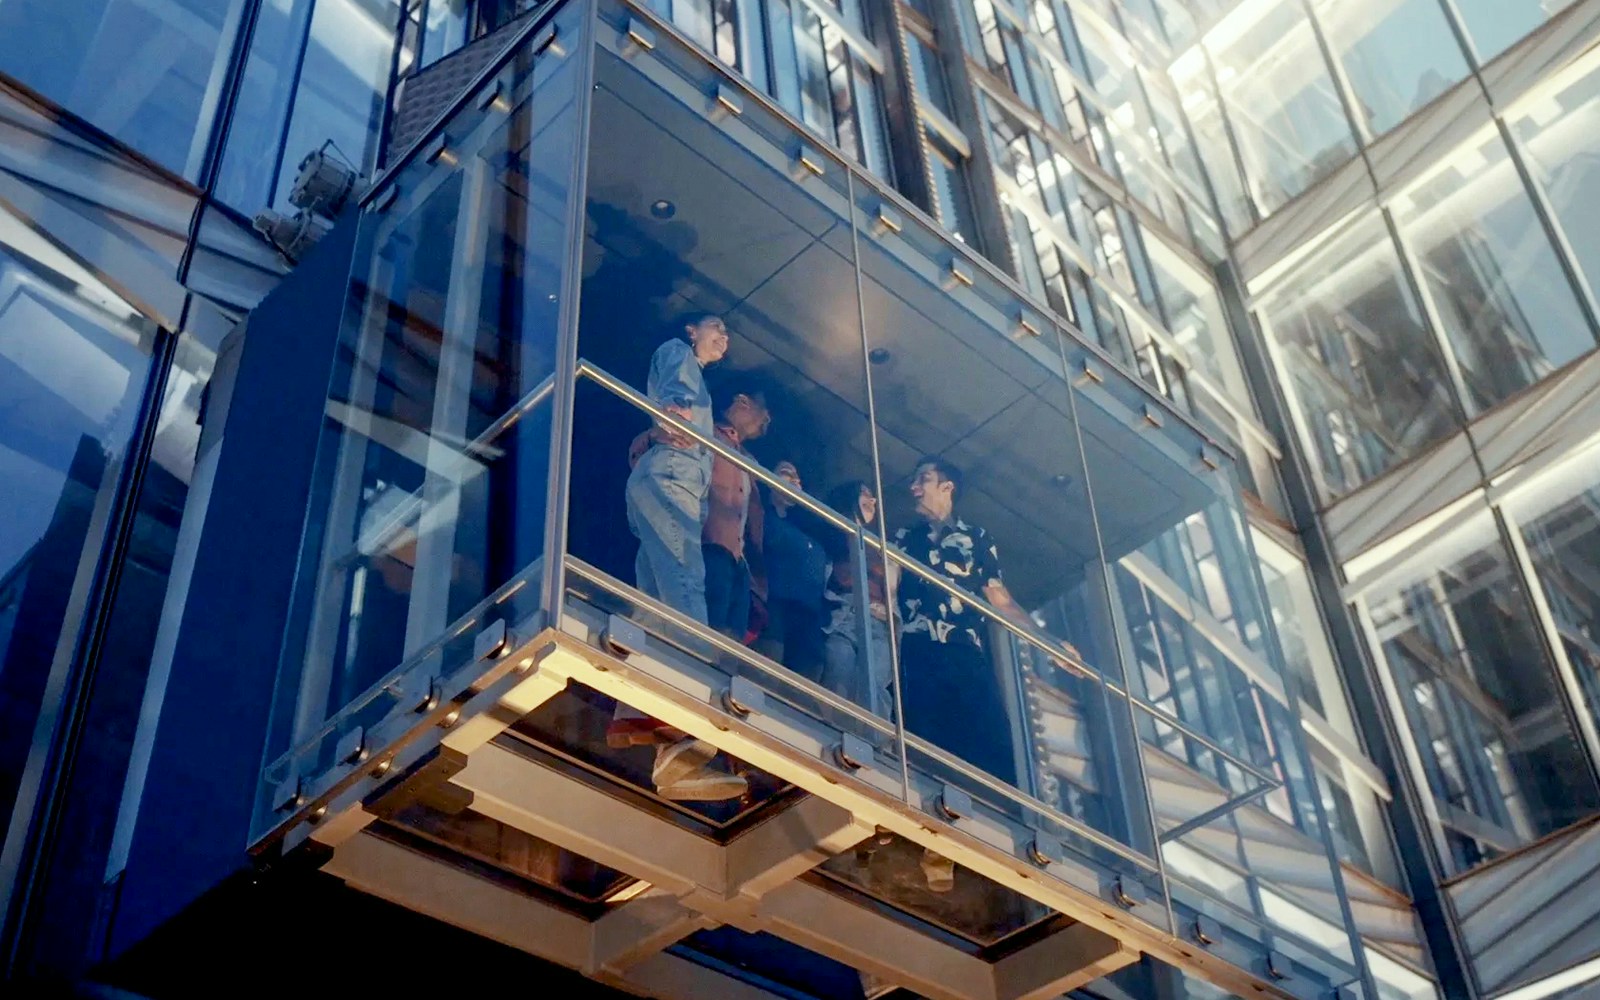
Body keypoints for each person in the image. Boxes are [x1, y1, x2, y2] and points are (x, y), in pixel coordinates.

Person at [893, 456, 1074, 891]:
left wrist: (1047, 642)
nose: (915, 488)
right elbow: (890, 584)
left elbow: (999, 599)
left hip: (963, 652)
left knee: (991, 740)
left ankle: (1012, 843)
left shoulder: (975, 538)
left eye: (924, 480)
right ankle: (935, 844)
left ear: (948, 486)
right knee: (927, 743)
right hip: (919, 651)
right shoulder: (904, 537)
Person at [608, 313, 746, 802]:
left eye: (727, 336)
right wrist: (675, 414)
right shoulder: (678, 352)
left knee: (655, 607)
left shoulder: (692, 371)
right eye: (716, 327)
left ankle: (646, 727)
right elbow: (675, 398)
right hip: (671, 483)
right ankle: (694, 724)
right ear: (692, 330)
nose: (722, 339)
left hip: (664, 483)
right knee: (686, 593)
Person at [818, 480, 895, 718]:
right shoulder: (831, 532)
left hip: (879, 623)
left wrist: (889, 611)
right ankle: (832, 734)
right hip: (843, 614)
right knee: (838, 672)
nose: (872, 501)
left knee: (876, 685)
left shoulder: (882, 547)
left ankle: (874, 746)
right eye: (865, 494)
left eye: (874, 497)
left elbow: (891, 590)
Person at [701, 392, 770, 640]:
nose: (767, 421)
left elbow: (755, 522)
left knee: (733, 640)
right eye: (764, 412)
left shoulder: (749, 461)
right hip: (708, 544)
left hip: (740, 562)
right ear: (742, 401)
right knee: (709, 624)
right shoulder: (706, 429)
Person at [754, 461, 830, 679]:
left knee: (807, 680)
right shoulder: (760, 516)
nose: (795, 481)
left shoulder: (811, 530)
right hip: (774, 609)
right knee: (767, 671)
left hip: (808, 619)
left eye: (798, 478)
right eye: (787, 475)